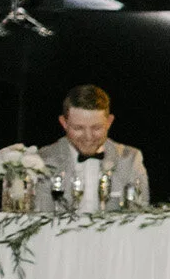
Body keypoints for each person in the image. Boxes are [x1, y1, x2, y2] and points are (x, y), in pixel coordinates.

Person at [35, 84, 149, 212]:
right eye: (78, 128)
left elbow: (139, 216)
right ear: (64, 123)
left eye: (96, 128)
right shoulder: (43, 160)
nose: (88, 137)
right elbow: (40, 218)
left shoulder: (130, 159)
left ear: (109, 122)